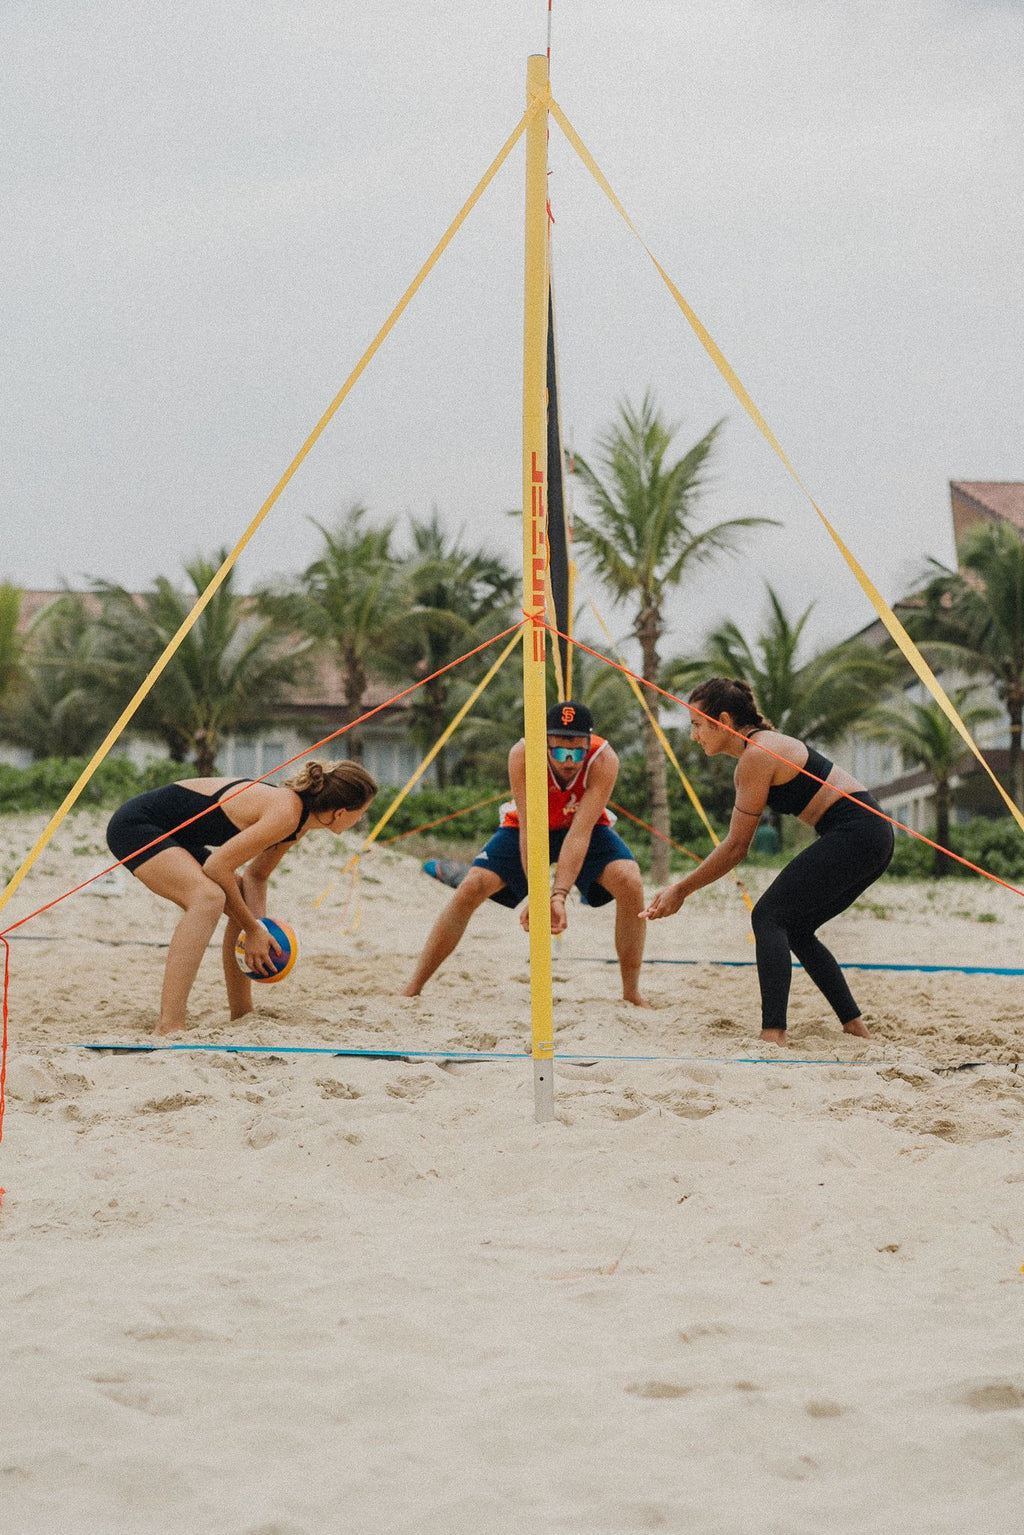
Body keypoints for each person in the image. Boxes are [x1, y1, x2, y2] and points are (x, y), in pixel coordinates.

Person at [640, 678, 894, 1044]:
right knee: (797, 929)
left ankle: (773, 1033)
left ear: (723, 720)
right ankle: (854, 1027)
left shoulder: (756, 756)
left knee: (768, 916)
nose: (694, 735)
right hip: (872, 836)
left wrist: (681, 889)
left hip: (857, 832)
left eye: (697, 724)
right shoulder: (759, 750)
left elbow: (735, 847)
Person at [403, 700, 650, 1006]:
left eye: (577, 751)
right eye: (560, 751)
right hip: (529, 825)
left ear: (589, 743)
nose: (569, 761)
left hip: (580, 827)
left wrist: (558, 895)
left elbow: (580, 833)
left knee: (631, 882)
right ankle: (413, 986)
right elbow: (530, 828)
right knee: (472, 886)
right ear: (546, 742)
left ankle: (631, 993)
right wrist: (537, 896)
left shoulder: (604, 759)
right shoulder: (523, 754)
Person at [106, 759, 378, 1034]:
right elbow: (216, 867)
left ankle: (241, 1012)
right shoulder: (287, 812)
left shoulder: (298, 821)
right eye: (363, 811)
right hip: (137, 825)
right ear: (341, 812)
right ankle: (169, 1024)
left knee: (239, 900)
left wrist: (257, 930)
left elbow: (256, 876)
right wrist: (251, 927)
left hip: (177, 836)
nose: (361, 818)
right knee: (208, 898)